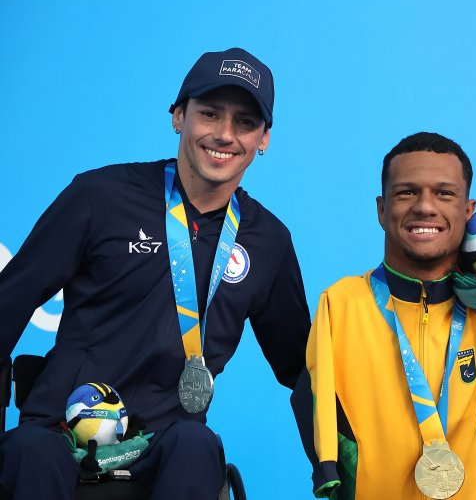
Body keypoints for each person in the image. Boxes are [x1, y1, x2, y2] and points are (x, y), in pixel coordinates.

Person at [0, 47, 311, 499]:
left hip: (167, 438)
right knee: (29, 452)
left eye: (245, 122)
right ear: (178, 116)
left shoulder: (269, 240)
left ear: (264, 138)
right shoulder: (100, 196)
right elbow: (10, 301)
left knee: (197, 446)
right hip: (60, 427)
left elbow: (300, 364)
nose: (225, 134)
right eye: (209, 114)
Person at [300, 132, 476, 500]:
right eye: (406, 192)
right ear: (381, 209)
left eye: (444, 193)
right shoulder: (340, 304)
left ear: (468, 210)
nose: (425, 207)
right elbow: (313, 398)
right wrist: (327, 465)